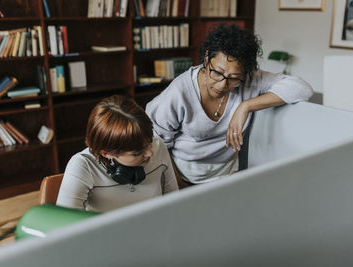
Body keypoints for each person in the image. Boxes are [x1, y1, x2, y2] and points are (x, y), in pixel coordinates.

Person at [145, 24, 313, 186]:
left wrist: (246, 106)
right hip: (183, 177)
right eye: (217, 72)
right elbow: (158, 144)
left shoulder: (249, 79)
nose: (222, 85)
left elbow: (302, 88)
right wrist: (178, 185)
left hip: (228, 176)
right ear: (206, 57)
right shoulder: (179, 92)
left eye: (234, 78)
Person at [56, 95, 178, 212]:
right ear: (106, 153)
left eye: (149, 142)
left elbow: (175, 203)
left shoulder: (159, 147)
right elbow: (64, 226)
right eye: (137, 153)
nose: (151, 153)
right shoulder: (83, 165)